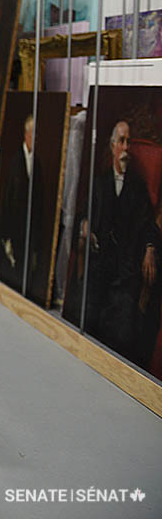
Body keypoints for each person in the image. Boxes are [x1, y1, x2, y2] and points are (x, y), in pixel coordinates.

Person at [77, 120, 160, 367]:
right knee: (85, 315)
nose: (126, 147)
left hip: (125, 273)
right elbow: (84, 217)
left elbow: (150, 227)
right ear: (112, 146)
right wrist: (85, 227)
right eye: (121, 141)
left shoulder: (138, 188)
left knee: (122, 330)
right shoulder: (99, 184)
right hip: (100, 266)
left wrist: (149, 249)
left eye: (128, 142)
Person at [0, 113, 48, 302]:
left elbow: (39, 199)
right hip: (15, 225)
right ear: (26, 134)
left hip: (30, 226)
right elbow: (9, 198)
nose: (36, 138)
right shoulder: (16, 160)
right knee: (13, 264)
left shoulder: (38, 163)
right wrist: (6, 233)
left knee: (27, 267)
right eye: (33, 134)